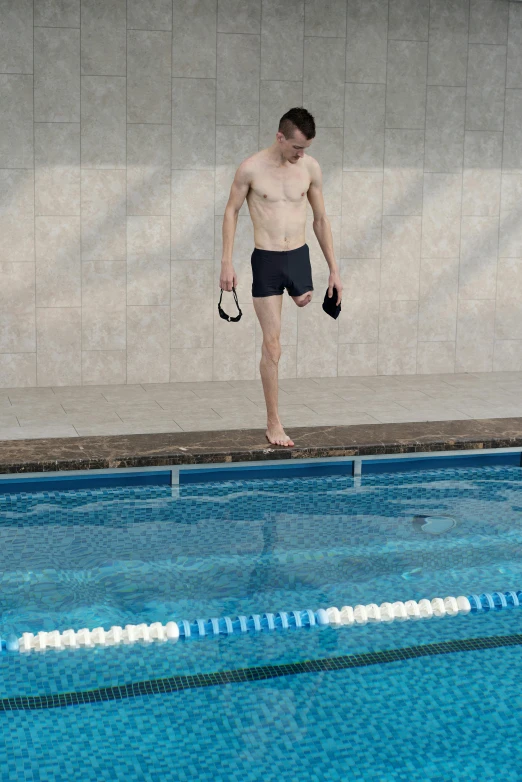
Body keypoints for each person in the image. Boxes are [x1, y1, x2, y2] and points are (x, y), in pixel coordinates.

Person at [220, 107, 343, 448]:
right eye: (296, 147)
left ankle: (299, 290)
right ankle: (274, 422)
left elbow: (320, 219)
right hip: (267, 259)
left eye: (305, 148)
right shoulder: (251, 169)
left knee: (307, 300)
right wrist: (226, 263)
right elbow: (230, 212)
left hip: (299, 256)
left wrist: (334, 269)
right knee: (273, 344)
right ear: (280, 137)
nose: (300, 154)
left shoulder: (310, 168)